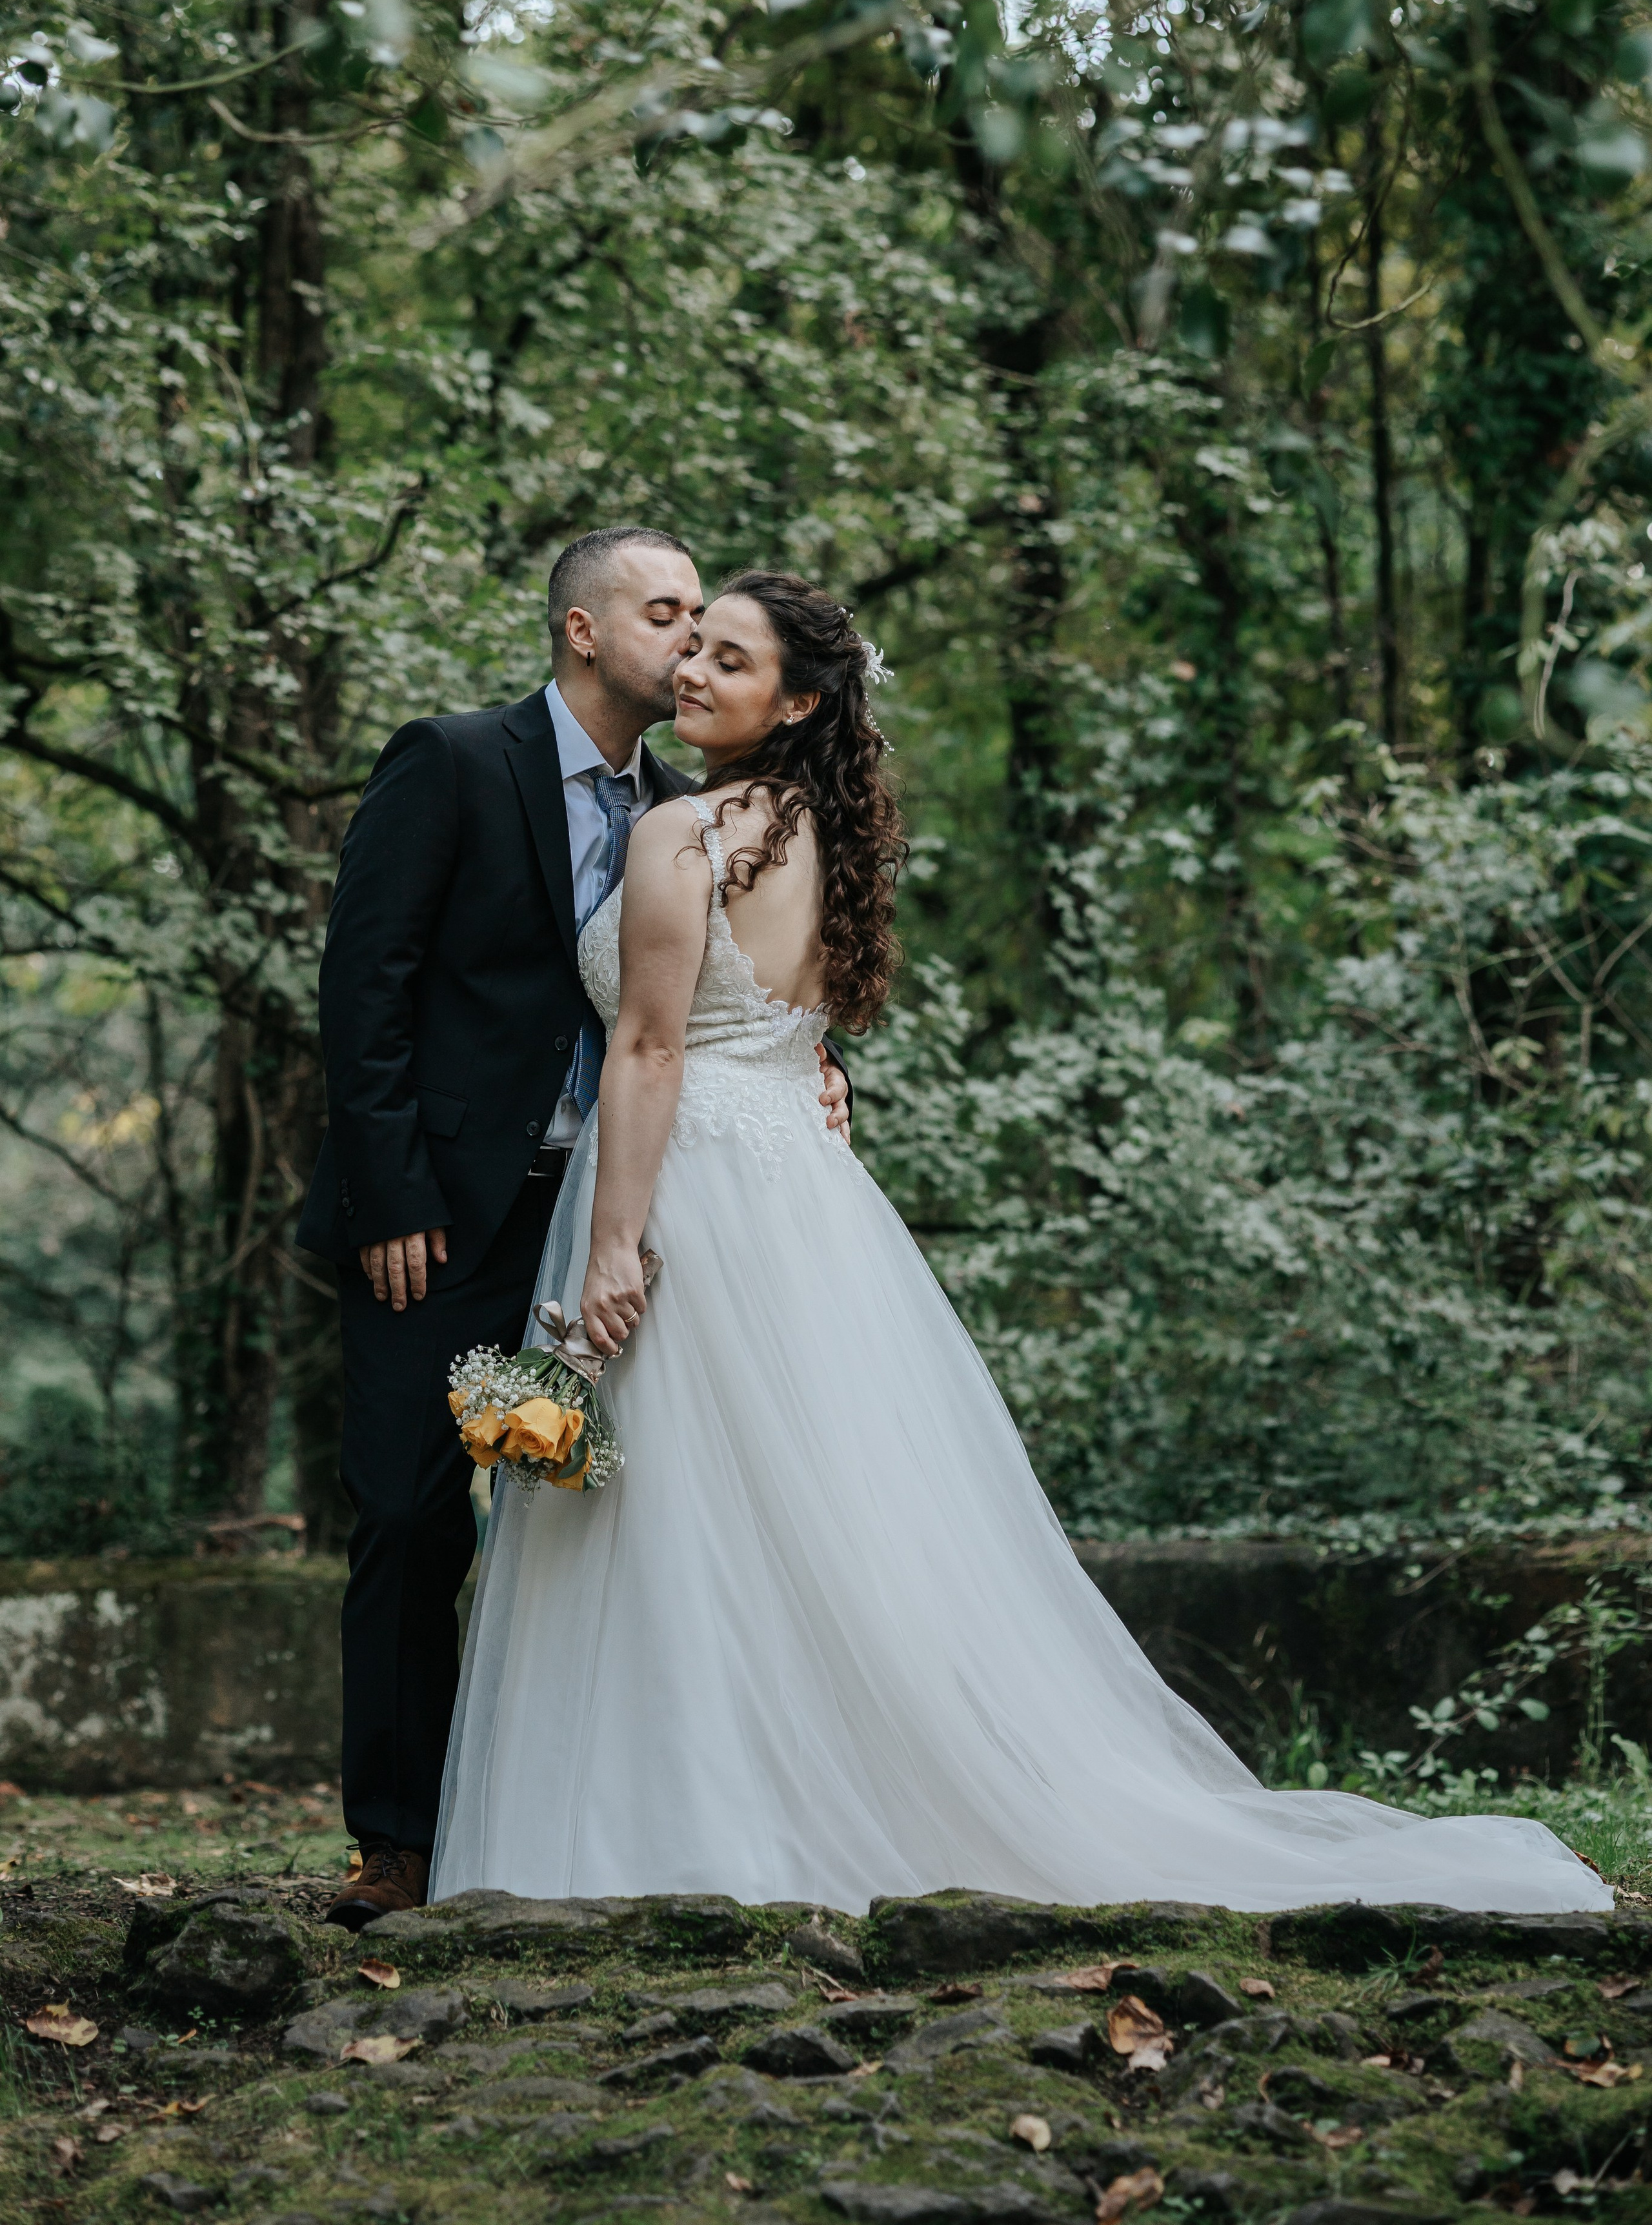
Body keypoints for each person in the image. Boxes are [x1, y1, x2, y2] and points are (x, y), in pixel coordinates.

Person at [431, 571, 1610, 1916]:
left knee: (676, 1516)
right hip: (806, 1207)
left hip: (686, 1186)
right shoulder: (823, 829)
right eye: (688, 647)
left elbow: (650, 1046)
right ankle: (771, 1804)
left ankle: (667, 1836)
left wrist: (613, 1248)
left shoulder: (683, 836)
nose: (691, 670)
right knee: (810, 1520)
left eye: (727, 659)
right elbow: (786, 1031)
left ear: (798, 698)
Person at [296, 527, 851, 1929]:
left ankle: (584, 1811)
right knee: (414, 1511)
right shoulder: (452, 760)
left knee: (615, 1530)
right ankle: (397, 1842)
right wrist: (391, 1194)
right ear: (582, 631)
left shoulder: (694, 807)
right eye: (666, 612)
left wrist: (822, 1071)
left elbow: (714, 1009)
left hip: (619, 1216)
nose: (688, 640)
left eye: (708, 623)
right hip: (440, 1218)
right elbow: (364, 986)